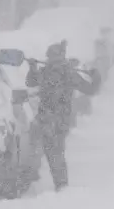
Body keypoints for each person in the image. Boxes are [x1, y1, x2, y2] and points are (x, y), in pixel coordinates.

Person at [25, 40, 101, 191]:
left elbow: (31, 82)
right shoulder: (69, 73)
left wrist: (33, 68)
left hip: (48, 118)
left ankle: (58, 182)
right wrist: (96, 77)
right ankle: (60, 183)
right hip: (61, 119)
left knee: (50, 150)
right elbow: (90, 89)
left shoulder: (46, 72)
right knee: (56, 150)